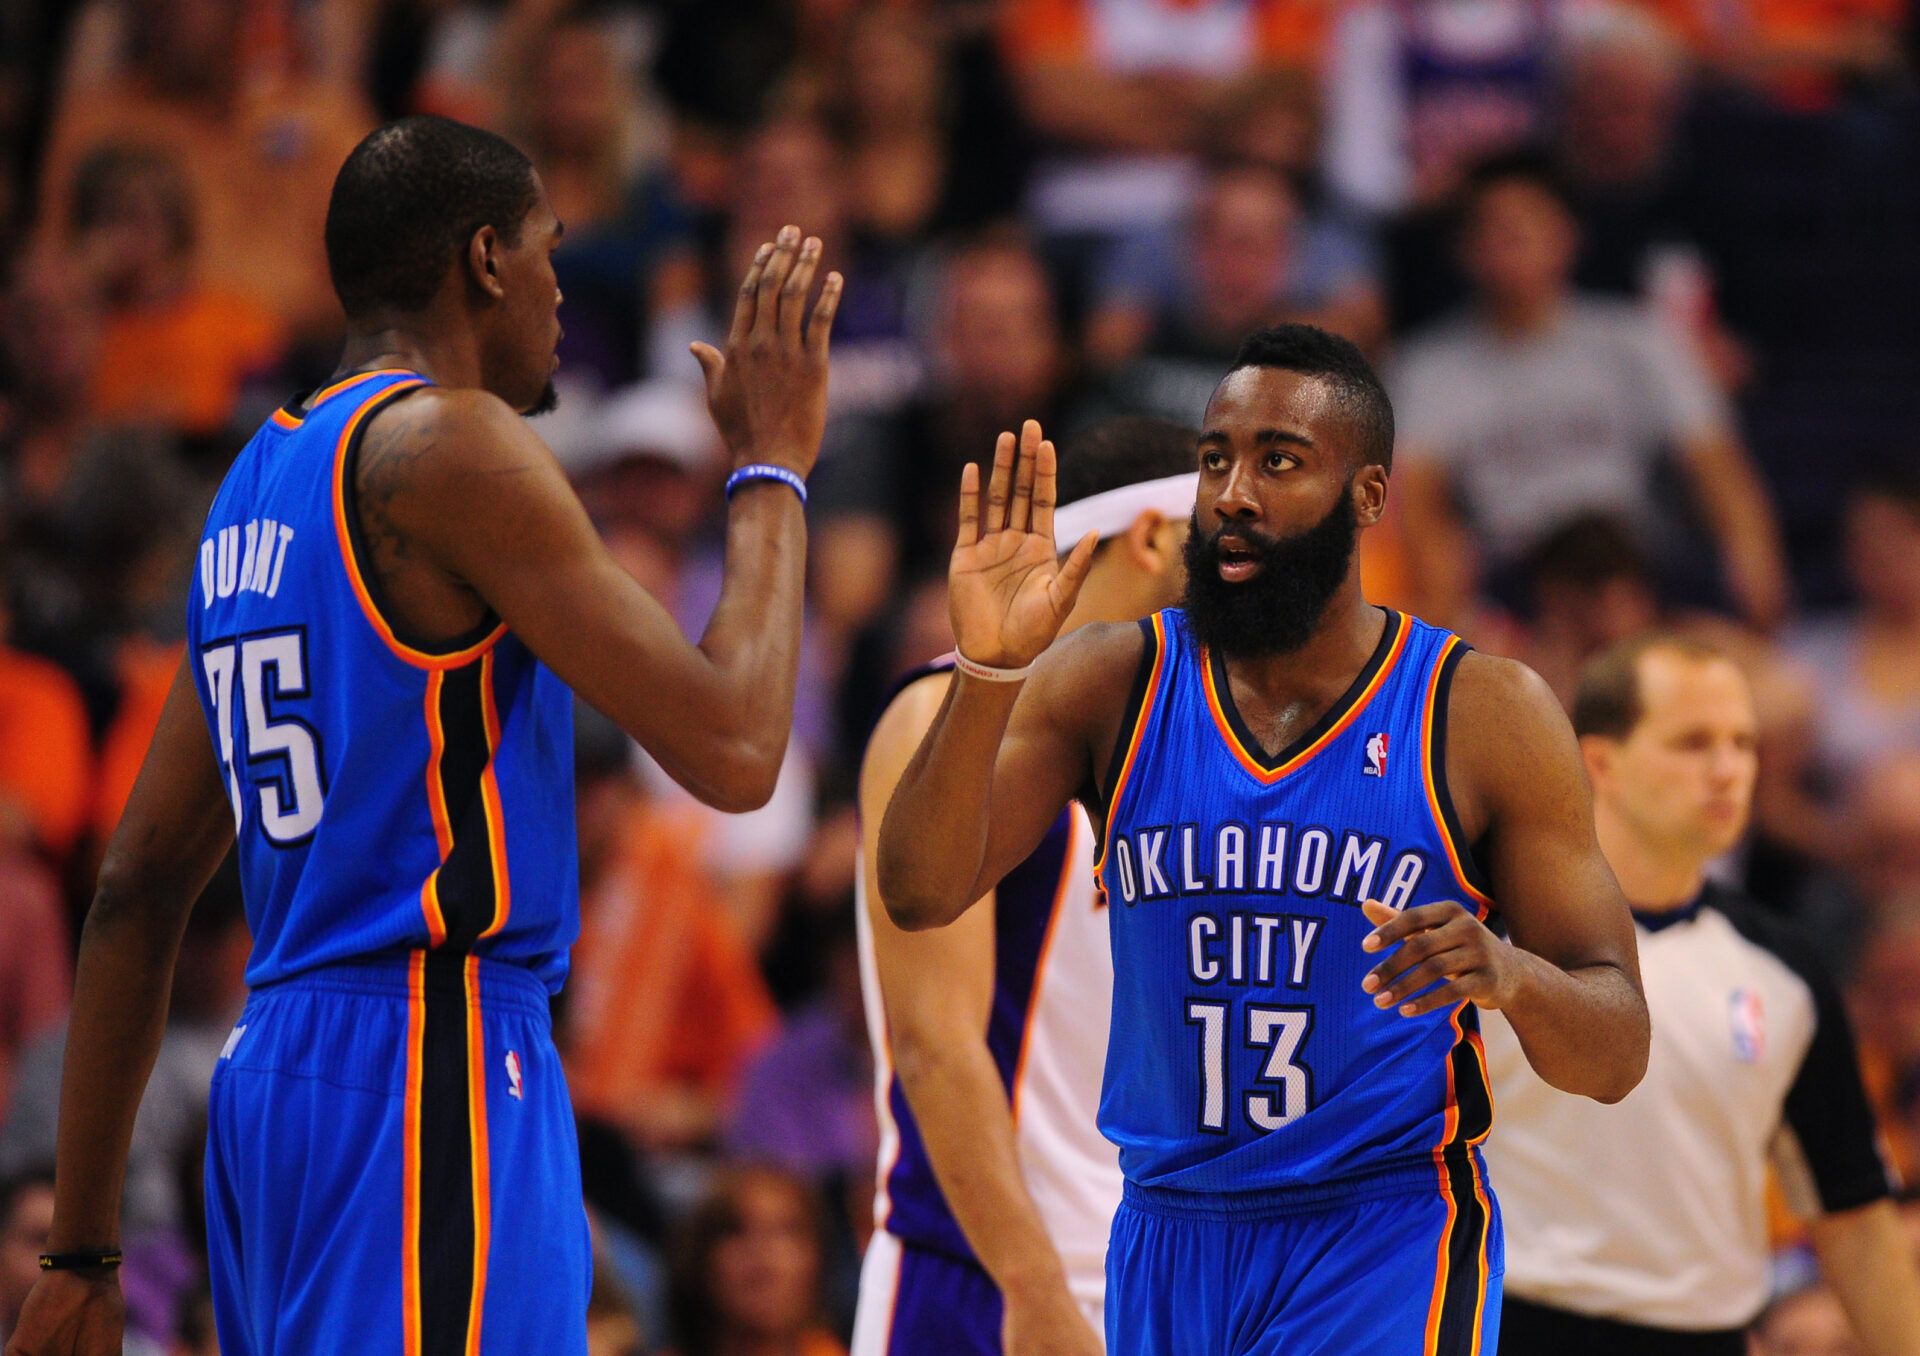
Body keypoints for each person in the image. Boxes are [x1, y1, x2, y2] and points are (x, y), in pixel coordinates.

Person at [6, 114, 840, 1356]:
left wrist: (80, 1254)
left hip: (272, 1077)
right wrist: (772, 469)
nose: (562, 289)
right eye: (549, 247)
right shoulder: (451, 445)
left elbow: (135, 886)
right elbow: (736, 749)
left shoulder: (253, 488)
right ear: (487, 260)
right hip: (428, 1052)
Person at [876, 323, 1651, 1354]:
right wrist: (986, 670)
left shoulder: (1483, 712)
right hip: (1164, 1231)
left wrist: (1512, 976)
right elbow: (920, 891)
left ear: (1368, 495)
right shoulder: (1111, 679)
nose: (1233, 494)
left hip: (1382, 1231)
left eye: (1278, 461)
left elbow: (1617, 1049)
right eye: (1215, 461)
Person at [852, 416, 1197, 1356]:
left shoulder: (1199, 744)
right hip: (980, 1281)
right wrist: (1033, 1289)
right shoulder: (942, 716)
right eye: (1218, 537)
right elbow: (936, 1041)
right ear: (1153, 535)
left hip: (1161, 1281)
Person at [1484, 635, 1920, 1355]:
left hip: (1704, 1336)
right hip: (1511, 1325)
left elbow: (1852, 1217)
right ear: (1599, 762)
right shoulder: (1498, 936)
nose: (1727, 770)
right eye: (1693, 743)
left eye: (1743, 744)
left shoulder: (1785, 974)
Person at [1390, 153, 1788, 632]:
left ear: (1568, 234)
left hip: (1636, 565)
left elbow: (1717, 465)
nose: (1509, 242)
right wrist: (1446, 608)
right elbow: (1418, 502)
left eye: (1525, 225)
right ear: (1463, 248)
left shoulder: (1639, 339)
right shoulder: (1427, 368)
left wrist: (1757, 583)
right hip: (1517, 584)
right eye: (1491, 229)